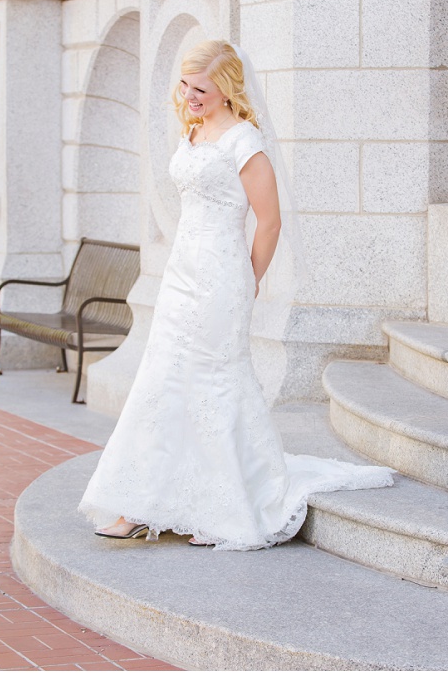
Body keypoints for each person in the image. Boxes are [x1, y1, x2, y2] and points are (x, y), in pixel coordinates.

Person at [79, 40, 393, 550]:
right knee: (163, 377)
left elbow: (268, 221)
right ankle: (138, 503)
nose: (189, 95)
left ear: (225, 88)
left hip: (223, 277)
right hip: (181, 274)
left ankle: (221, 507)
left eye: (200, 88)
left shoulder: (245, 140)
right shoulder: (195, 129)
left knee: (215, 380)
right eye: (185, 85)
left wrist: (249, 279)